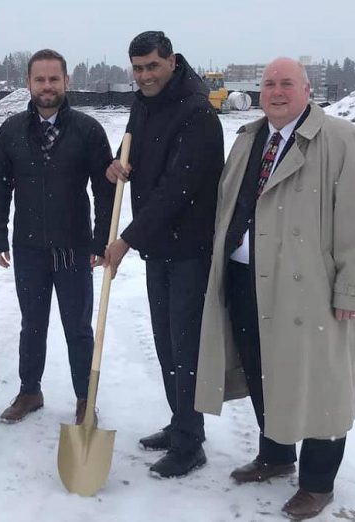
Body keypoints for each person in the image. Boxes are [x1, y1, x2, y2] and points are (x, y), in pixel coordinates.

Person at [194, 57, 355, 520]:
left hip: (309, 290)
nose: (276, 92)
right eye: (269, 84)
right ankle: (276, 456)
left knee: (321, 383)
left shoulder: (339, 139)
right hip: (244, 278)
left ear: (306, 88)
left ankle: (318, 483)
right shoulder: (249, 139)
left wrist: (352, 291)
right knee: (263, 372)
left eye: (286, 84)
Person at [104, 31, 224, 478]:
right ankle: (180, 424)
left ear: (171, 61)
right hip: (159, 248)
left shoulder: (196, 112)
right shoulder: (144, 102)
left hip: (189, 248)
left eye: (152, 66)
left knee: (184, 347)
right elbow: (134, 150)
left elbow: (179, 189)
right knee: (165, 343)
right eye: (137, 68)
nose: (144, 76)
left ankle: (190, 443)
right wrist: (118, 163)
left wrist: (126, 239)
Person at [0, 49, 114, 424]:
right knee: (33, 324)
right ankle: (30, 391)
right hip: (29, 248)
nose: (46, 86)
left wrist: (100, 239)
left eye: (53, 79)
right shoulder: (11, 131)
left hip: (73, 248)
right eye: (39, 79)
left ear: (66, 82)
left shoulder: (87, 131)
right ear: (28, 83)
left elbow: (104, 189)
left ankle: (84, 399)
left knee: (78, 327)